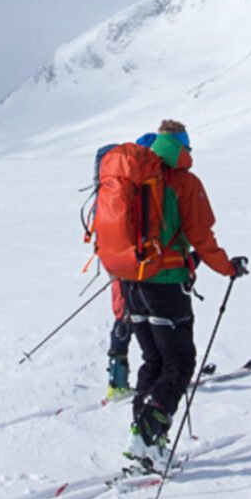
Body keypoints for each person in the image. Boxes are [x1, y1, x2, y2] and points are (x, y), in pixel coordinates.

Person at [121, 119, 247, 472]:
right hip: (165, 283)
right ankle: (152, 431)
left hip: (131, 282)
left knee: (153, 361)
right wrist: (228, 268)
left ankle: (141, 436)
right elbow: (201, 236)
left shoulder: (135, 175)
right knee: (179, 362)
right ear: (183, 147)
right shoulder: (184, 182)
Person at [104, 132, 158, 403]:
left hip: (115, 259)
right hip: (140, 263)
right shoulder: (143, 184)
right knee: (145, 317)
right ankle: (153, 374)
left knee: (124, 315)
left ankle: (118, 378)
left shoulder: (116, 185)